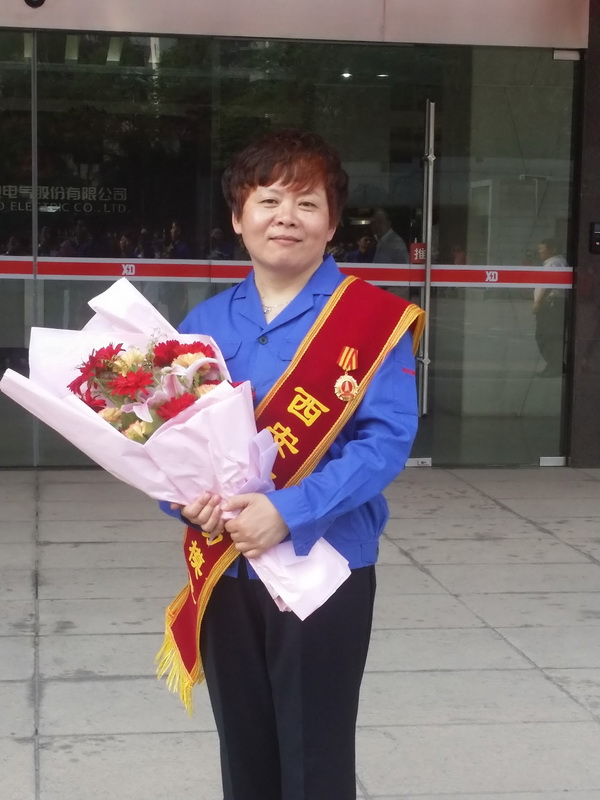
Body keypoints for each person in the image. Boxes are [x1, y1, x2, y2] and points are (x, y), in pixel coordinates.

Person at [161, 129, 424, 800]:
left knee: (315, 758)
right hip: (226, 563)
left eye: (307, 203)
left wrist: (289, 510)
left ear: (332, 223)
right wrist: (184, 501)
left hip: (325, 565)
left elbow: (385, 440)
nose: (286, 217)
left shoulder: (371, 319)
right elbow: (170, 439)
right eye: (268, 200)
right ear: (238, 217)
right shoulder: (205, 320)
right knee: (244, 752)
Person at [533, 238, 567, 377]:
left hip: (550, 305)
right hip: (555, 304)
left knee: (544, 336)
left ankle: (555, 366)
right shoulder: (560, 262)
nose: (539, 251)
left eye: (542, 248)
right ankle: (556, 365)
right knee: (552, 337)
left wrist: (538, 302)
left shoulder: (553, 263)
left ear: (552, 249)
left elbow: (549, 284)